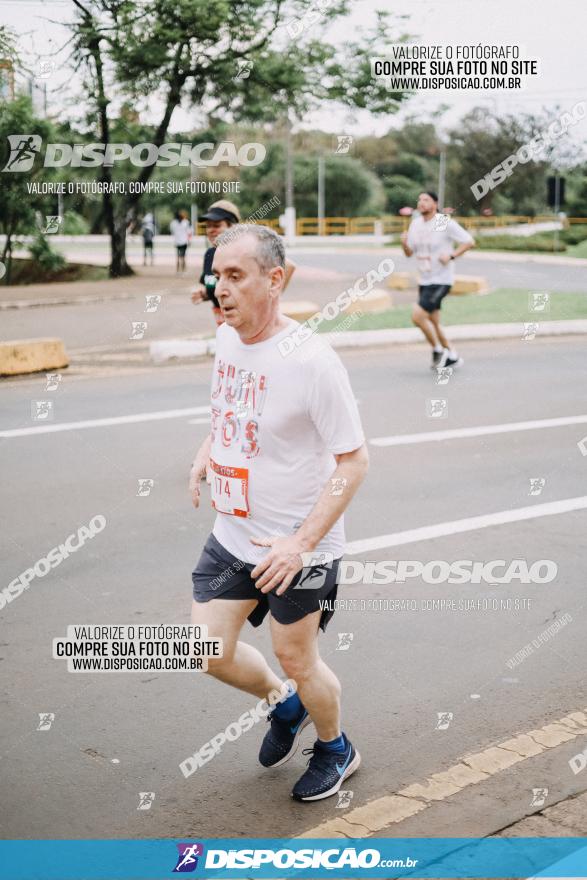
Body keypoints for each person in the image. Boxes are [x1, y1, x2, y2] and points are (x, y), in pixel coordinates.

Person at [188, 224, 368, 802]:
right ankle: (283, 704)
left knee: (297, 656)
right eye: (217, 274)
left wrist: (301, 544)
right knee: (204, 651)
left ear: (276, 279)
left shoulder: (313, 362)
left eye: (235, 276)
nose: (221, 288)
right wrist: (207, 451)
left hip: (297, 546)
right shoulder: (226, 337)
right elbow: (227, 410)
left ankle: (336, 747)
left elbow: (354, 461)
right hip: (234, 533)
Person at [401, 192, 475, 369]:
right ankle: (453, 355)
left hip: (442, 280)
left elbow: (469, 241)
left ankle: (437, 350)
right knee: (433, 321)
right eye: (419, 200)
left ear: (435, 203)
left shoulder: (443, 221)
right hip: (425, 280)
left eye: (426, 200)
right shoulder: (416, 224)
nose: (422, 203)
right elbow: (409, 253)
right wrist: (404, 243)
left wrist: (451, 255)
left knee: (417, 317)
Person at [192, 200, 296, 325]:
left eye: (216, 225)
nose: (210, 230)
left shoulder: (244, 252)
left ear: (232, 227)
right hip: (225, 325)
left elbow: (289, 266)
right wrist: (204, 294)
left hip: (249, 326)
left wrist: (270, 302)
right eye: (208, 226)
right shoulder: (210, 254)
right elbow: (215, 286)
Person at [170, 209, 192, 274]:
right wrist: (189, 240)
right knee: (183, 256)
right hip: (183, 241)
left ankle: (178, 270)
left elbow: (172, 232)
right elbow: (189, 232)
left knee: (178, 256)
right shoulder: (186, 222)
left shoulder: (173, 223)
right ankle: (183, 270)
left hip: (178, 241)